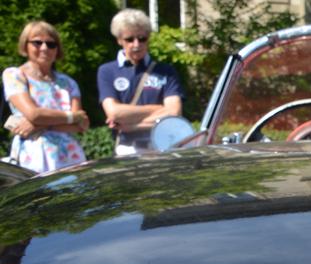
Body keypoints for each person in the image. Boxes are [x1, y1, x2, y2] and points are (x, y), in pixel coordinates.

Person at [2, 21, 88, 173]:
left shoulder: (68, 82)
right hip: (33, 156)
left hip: (70, 156)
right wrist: (71, 116)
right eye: (37, 42)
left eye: (51, 44)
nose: (44, 48)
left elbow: (82, 124)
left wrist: (39, 125)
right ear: (25, 45)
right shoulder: (15, 75)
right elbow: (33, 114)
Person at [97, 9, 183, 156]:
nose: (136, 44)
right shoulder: (107, 71)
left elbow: (174, 113)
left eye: (142, 38)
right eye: (129, 39)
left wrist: (132, 125)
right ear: (119, 40)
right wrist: (159, 109)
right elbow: (114, 112)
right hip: (126, 148)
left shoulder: (166, 71)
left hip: (162, 147)